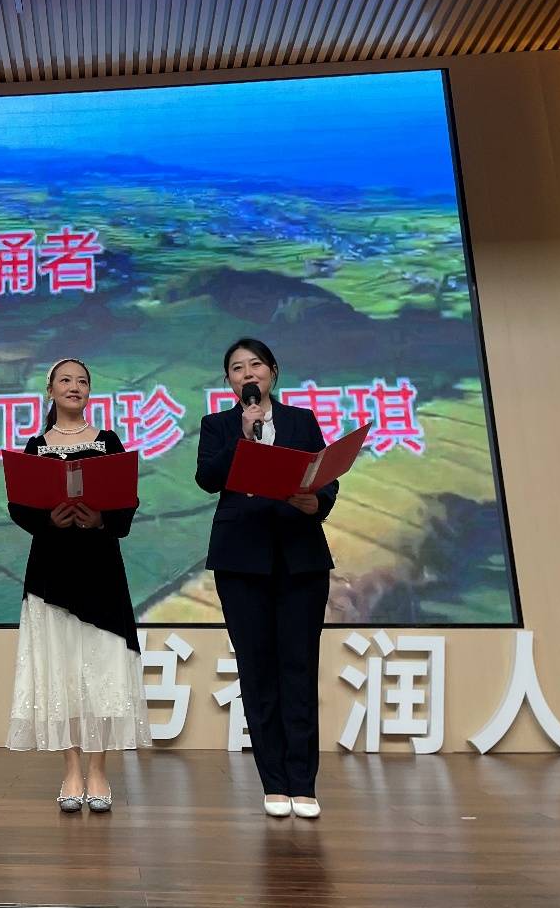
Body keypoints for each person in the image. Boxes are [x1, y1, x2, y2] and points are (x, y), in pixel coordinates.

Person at [195, 338, 338, 819]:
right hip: (241, 561)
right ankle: (274, 782)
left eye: (255, 364)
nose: (248, 374)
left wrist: (316, 502)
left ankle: (304, 782)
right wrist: (242, 436)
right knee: (257, 672)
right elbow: (208, 478)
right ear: (229, 382)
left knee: (298, 668)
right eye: (237, 368)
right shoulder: (218, 425)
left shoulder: (301, 420)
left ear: (273, 371)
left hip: (300, 558)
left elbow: (326, 477)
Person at [6, 358, 150, 813]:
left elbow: (127, 502)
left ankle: (99, 769)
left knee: (101, 668)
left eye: (82, 381)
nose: (75, 386)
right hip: (51, 570)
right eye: (65, 380)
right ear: (49, 389)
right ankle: (71, 768)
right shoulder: (36, 446)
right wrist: (48, 518)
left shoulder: (108, 442)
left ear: (90, 391)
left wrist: (100, 519)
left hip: (100, 568)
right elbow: (20, 506)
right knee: (61, 670)